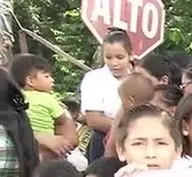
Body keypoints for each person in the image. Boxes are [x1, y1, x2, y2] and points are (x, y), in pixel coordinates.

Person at [9, 54, 77, 160]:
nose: (52, 80)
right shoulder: (48, 99)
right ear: (30, 81)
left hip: (23, 152)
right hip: (50, 150)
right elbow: (62, 120)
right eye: (47, 76)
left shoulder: (12, 98)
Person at [81, 28, 133, 162]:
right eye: (108, 57)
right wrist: (129, 130)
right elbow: (94, 119)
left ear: (130, 55)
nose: (114, 63)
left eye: (120, 57)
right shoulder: (94, 78)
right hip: (103, 142)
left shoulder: (138, 78)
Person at [104, 73, 157, 159]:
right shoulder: (155, 117)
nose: (121, 105)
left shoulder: (129, 119)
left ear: (130, 101)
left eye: (122, 101)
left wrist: (107, 161)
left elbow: (112, 146)